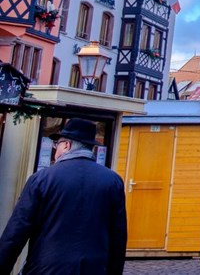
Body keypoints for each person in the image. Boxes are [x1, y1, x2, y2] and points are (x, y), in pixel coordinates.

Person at [0, 118, 127, 275]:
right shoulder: (113, 181)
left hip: (46, 268)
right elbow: (118, 237)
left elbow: (16, 232)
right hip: (95, 268)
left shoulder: (43, 178)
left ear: (66, 145)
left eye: (57, 144)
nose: (55, 150)